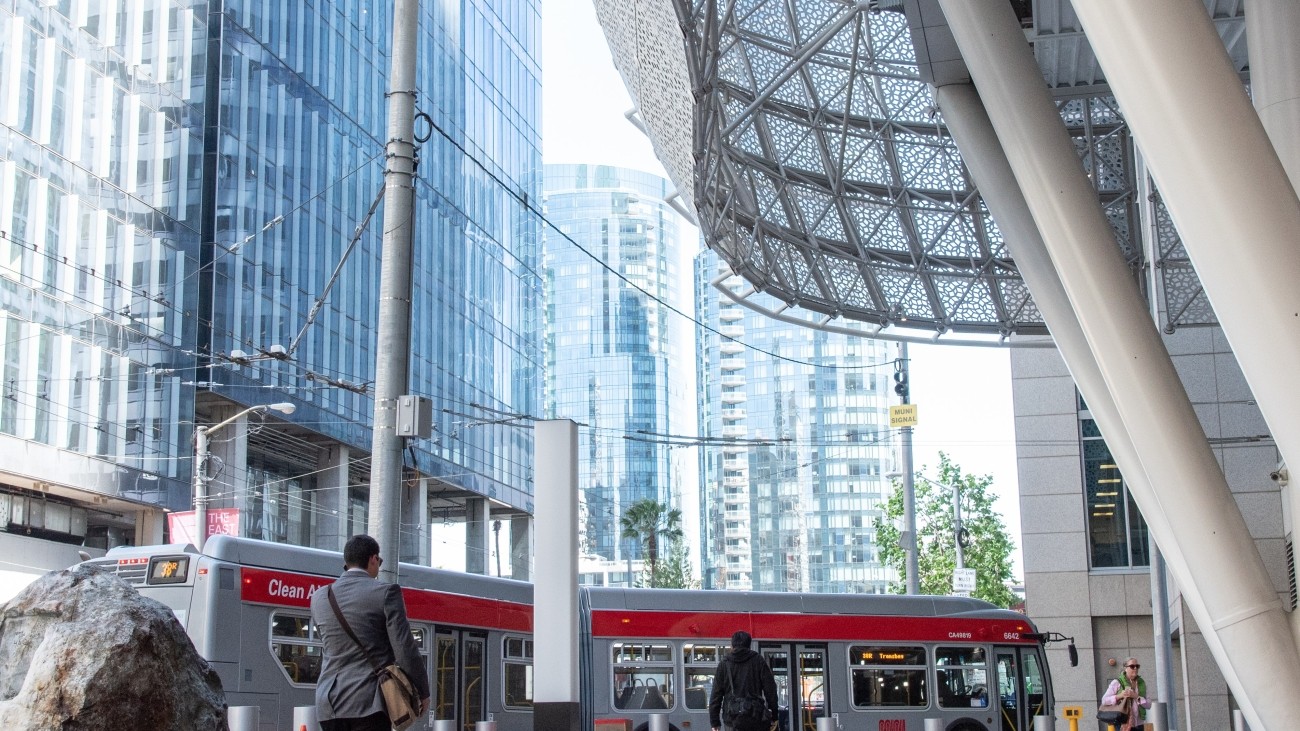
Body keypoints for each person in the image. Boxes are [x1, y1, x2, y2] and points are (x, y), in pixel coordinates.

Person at [310, 535, 431, 731]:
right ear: (373, 559)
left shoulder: (319, 597)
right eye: (379, 561)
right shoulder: (386, 592)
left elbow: (327, 644)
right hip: (369, 704)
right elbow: (404, 648)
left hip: (328, 704)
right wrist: (422, 692)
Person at [709, 630, 779, 731]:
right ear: (749, 645)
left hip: (731, 720)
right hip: (755, 717)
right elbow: (770, 689)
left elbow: (716, 694)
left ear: (732, 645)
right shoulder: (758, 660)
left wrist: (714, 722)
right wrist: (774, 715)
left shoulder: (724, 664)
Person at [1101, 657, 1152, 731]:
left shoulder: (1142, 683)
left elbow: (1148, 705)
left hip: (1139, 724)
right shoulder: (1117, 682)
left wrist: (1136, 696)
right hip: (1122, 724)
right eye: (1132, 666)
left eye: (1137, 666)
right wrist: (1120, 696)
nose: (1135, 668)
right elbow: (1104, 700)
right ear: (1125, 668)